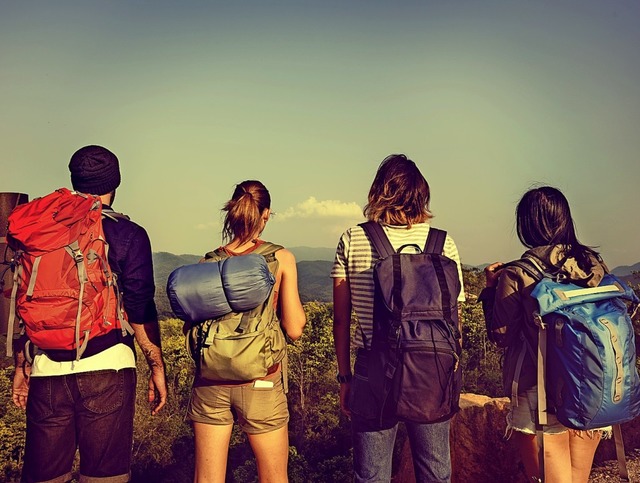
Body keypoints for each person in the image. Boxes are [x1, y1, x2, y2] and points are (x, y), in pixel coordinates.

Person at [11, 145, 168, 483]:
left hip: (46, 366)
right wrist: (157, 365)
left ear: (74, 179)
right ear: (116, 182)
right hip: (107, 367)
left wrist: (22, 364)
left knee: (44, 478)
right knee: (104, 478)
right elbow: (140, 308)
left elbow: (25, 297)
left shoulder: (41, 233)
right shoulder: (129, 235)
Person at [331, 154, 466, 482]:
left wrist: (345, 378)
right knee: (435, 473)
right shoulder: (443, 242)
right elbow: (454, 321)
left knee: (372, 475)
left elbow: (341, 319)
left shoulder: (354, 239)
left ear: (380, 191)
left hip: (372, 372)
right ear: (422, 193)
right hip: (432, 370)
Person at [479, 186, 609, 482]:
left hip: (538, 386)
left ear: (527, 224)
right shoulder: (593, 265)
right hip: (589, 381)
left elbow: (501, 336)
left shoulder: (519, 273)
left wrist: (490, 289)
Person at [186, 180, 306, 483]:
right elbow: (294, 328)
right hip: (261, 381)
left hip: (210, 381)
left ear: (233, 212)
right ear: (265, 215)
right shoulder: (281, 259)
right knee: (274, 478)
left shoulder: (208, 261)